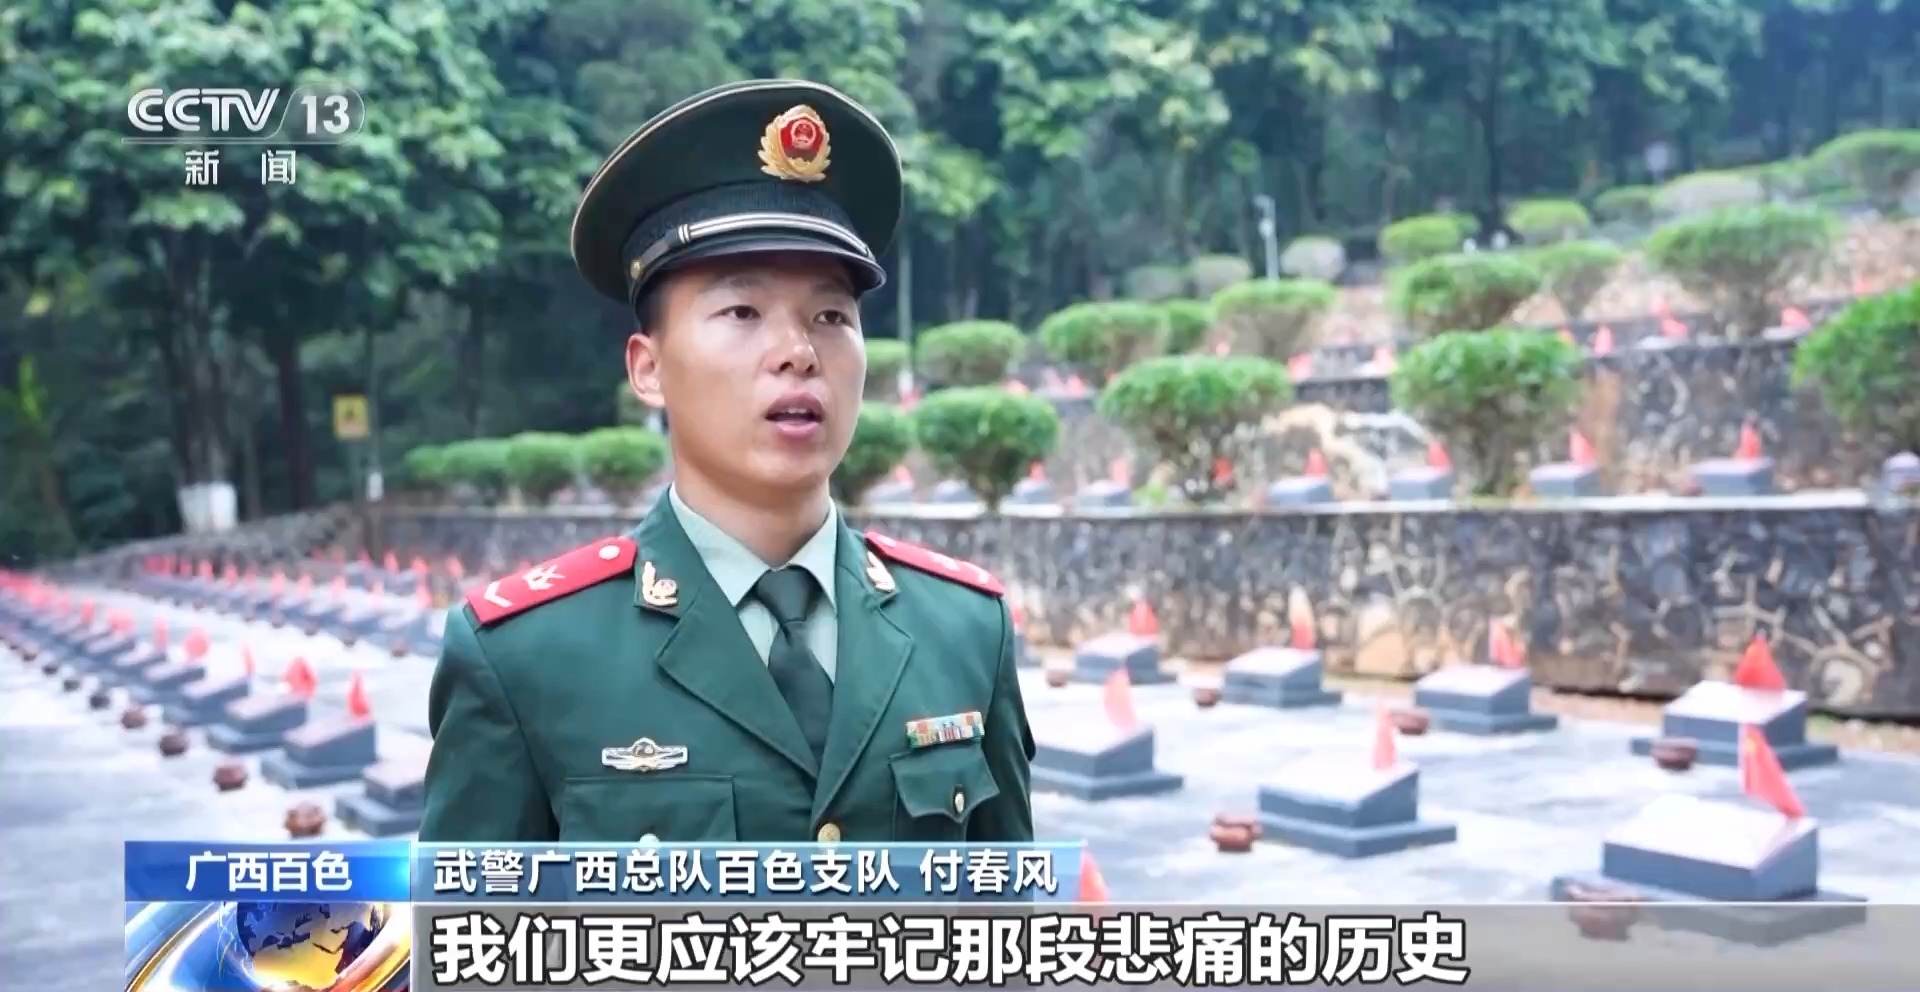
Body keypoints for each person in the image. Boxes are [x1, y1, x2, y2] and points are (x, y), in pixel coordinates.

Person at [418, 79, 1035, 845]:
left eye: (831, 315)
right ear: (648, 369)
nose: (798, 352)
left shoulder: (965, 630)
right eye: (742, 312)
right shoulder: (526, 658)